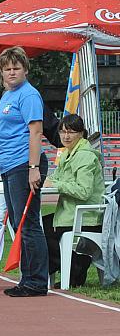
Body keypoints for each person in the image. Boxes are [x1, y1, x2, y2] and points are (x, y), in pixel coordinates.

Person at [0, 46, 49, 296]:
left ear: (25, 69)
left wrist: (33, 167)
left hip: (23, 164)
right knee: (19, 223)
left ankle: (36, 281)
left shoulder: (28, 95)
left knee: (28, 223)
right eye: (7, 69)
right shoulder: (7, 95)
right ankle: (28, 278)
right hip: (8, 166)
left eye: (16, 68)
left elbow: (36, 131)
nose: (12, 72)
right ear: (2, 73)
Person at [43, 114, 105, 287]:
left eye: (71, 132)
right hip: (70, 213)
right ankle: (70, 271)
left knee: (41, 232)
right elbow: (56, 178)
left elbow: (84, 191)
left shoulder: (85, 156)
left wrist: (55, 184)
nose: (66, 136)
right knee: (39, 226)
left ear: (81, 134)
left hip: (86, 216)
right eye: (62, 132)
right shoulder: (67, 154)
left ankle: (73, 271)